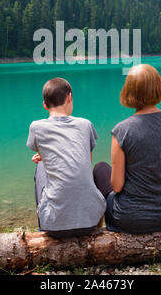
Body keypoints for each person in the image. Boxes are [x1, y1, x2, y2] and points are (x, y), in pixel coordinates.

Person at [93, 63, 161, 234]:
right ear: (158, 87)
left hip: (131, 218)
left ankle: (97, 233)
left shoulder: (122, 130)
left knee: (100, 169)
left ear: (129, 91)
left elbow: (117, 186)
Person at [27, 77, 106, 238]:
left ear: (44, 105)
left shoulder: (36, 127)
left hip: (54, 228)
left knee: (40, 167)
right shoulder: (85, 124)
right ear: (69, 97)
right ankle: (98, 223)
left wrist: (43, 159)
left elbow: (42, 151)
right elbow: (86, 162)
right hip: (90, 223)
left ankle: (43, 227)